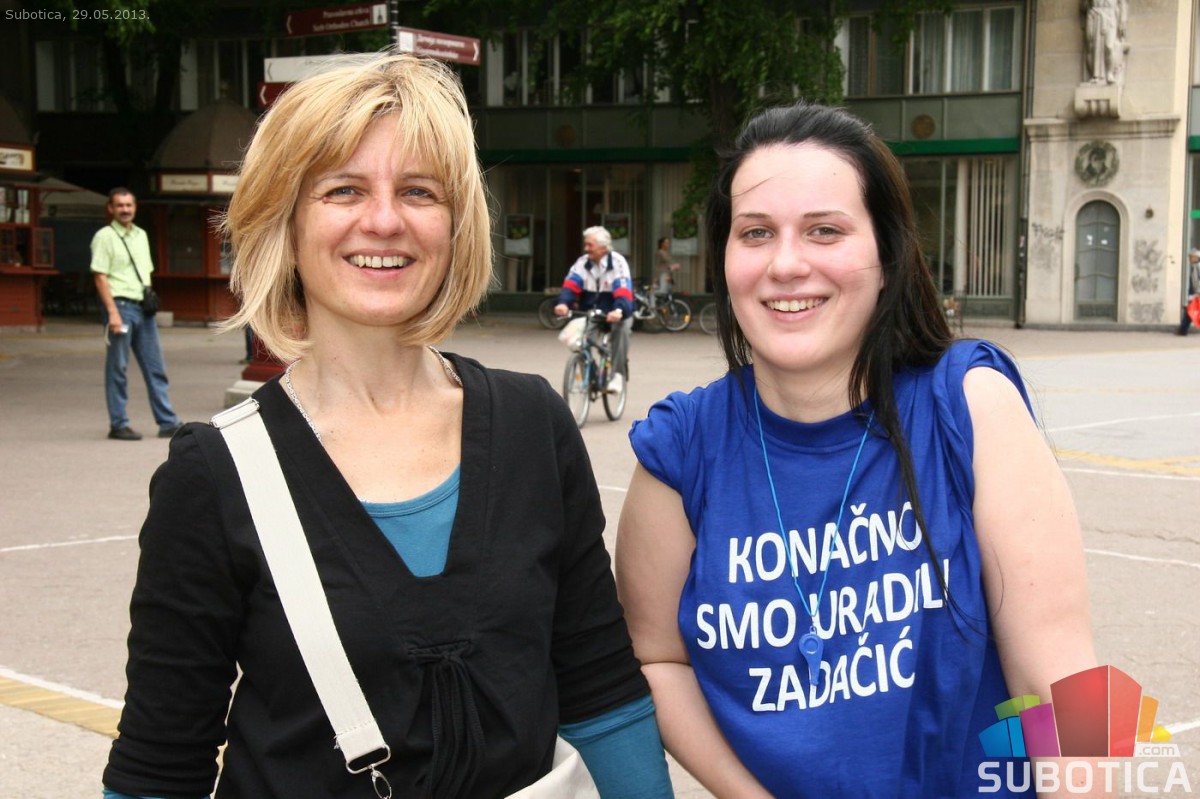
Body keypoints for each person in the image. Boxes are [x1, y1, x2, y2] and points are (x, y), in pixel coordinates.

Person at [102, 52, 672, 799]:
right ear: (285, 223)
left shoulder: (534, 425)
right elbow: (160, 764)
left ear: (455, 225)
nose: (383, 220)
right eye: (343, 189)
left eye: (418, 191)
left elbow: (599, 687)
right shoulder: (215, 474)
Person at [616, 102, 1098, 797]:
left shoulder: (969, 405)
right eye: (756, 233)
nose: (786, 263)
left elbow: (1062, 676)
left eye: (825, 230)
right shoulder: (680, 450)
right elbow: (658, 658)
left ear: (886, 257)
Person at [90, 188, 183, 441]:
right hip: (120, 307)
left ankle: (167, 421)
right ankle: (119, 424)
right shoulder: (105, 237)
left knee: (155, 366)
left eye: (129, 205)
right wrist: (112, 313)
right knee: (118, 368)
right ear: (111, 208)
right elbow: (100, 276)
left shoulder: (141, 235)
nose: (125, 210)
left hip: (143, 308)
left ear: (135, 207)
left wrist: (149, 300)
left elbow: (146, 273)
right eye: (120, 205)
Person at [554, 226, 634, 394]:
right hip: (591, 313)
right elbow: (571, 284)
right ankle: (591, 373)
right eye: (586, 244)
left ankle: (617, 375)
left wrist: (619, 310)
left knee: (621, 331)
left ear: (603, 247)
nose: (586, 249)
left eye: (590, 245)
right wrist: (563, 303)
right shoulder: (582, 263)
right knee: (578, 341)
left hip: (615, 312)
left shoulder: (617, 262)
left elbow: (623, 289)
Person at [1175, 247, 1200, 336]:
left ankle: (1183, 330)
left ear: (1196, 257)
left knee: (1190, 311)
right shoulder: (1195, 266)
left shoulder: (1197, 267)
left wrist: (1197, 293)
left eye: (1191, 257)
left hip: (1196, 293)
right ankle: (1183, 330)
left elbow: (1196, 281)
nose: (1189, 259)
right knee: (1190, 311)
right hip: (1195, 293)